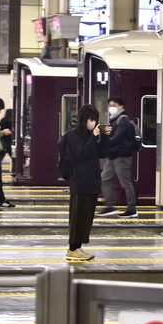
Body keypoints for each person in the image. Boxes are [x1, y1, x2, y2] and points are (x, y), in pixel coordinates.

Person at [62, 104, 110, 261]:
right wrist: (93, 137)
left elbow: (102, 153)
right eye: (91, 119)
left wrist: (105, 136)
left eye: (95, 119)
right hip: (79, 180)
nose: (93, 122)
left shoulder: (91, 135)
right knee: (77, 216)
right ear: (83, 119)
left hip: (92, 180)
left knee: (86, 217)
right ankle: (72, 248)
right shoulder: (74, 135)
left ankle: (79, 247)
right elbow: (81, 154)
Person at [97, 97, 138, 218]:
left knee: (125, 183)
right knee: (104, 178)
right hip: (113, 156)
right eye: (110, 105)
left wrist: (104, 143)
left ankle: (131, 209)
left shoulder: (123, 120)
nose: (111, 108)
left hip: (122, 156)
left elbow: (117, 138)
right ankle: (109, 205)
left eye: (114, 105)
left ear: (121, 107)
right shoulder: (114, 120)